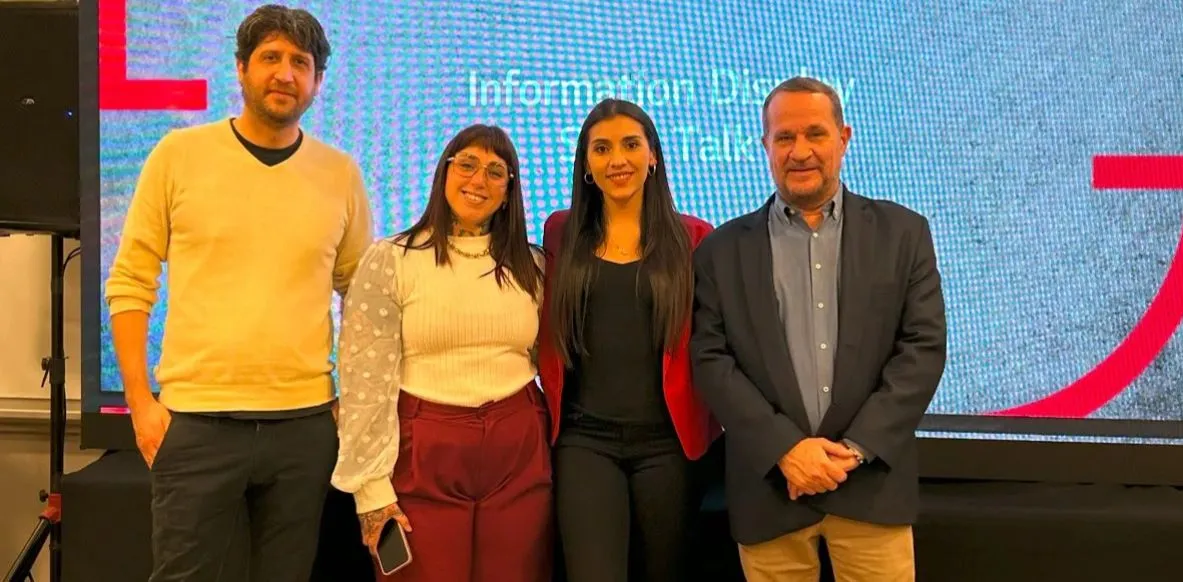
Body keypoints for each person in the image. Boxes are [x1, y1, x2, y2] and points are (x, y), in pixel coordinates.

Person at [104, 5, 373, 581]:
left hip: (303, 429)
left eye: (300, 63)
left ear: (317, 81)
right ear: (241, 69)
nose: (285, 74)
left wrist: (346, 402)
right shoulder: (179, 155)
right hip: (197, 423)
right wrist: (140, 405)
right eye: (270, 58)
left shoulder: (341, 175)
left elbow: (361, 298)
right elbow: (130, 281)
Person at [690, 76, 947, 581]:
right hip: (771, 490)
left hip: (871, 486)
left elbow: (922, 350)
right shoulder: (720, 251)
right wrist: (785, 449)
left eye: (815, 134)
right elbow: (711, 361)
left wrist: (851, 452)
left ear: (844, 138)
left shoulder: (903, 233)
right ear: (764, 145)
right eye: (784, 137)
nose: (800, 151)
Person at [331, 124, 551, 582]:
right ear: (443, 173)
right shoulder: (390, 259)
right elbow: (362, 382)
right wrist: (371, 492)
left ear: (510, 191)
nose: (479, 180)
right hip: (422, 455)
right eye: (467, 164)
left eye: (496, 172)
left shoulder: (534, 266)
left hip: (518, 451)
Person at [539, 98, 723, 582]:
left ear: (654, 156)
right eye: (601, 148)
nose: (616, 159)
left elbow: (715, 345)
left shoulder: (694, 238)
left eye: (630, 145)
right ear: (585, 166)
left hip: (670, 448)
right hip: (584, 442)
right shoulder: (561, 232)